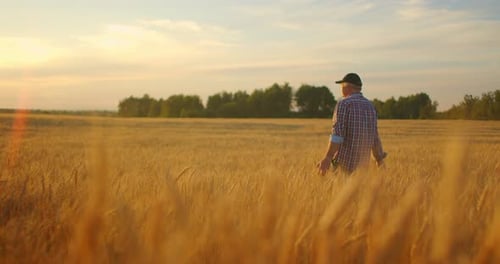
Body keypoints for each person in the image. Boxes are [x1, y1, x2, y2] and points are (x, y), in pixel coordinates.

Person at [317, 73, 386, 175]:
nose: (341, 90)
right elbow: (374, 137)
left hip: (342, 167)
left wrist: (328, 157)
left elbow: (337, 135)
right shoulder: (371, 106)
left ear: (347, 87)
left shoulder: (344, 104)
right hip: (362, 170)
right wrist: (379, 160)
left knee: (338, 191)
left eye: (342, 86)